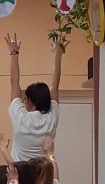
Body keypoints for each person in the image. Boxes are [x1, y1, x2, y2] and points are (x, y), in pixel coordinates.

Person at [5, 33, 63, 161]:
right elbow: (55, 85)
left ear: (29, 101)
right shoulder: (51, 119)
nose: (24, 101)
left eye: (25, 99)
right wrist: (57, 55)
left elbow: (14, 83)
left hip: (20, 172)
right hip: (44, 173)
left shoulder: (21, 118)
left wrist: (14, 53)